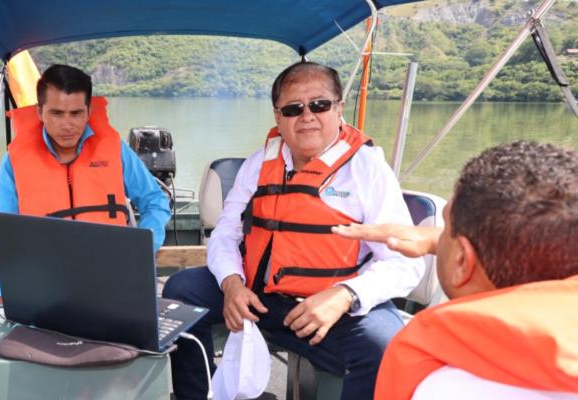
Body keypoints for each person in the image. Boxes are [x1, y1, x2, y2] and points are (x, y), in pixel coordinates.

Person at [162, 61, 424, 399]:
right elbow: (226, 232)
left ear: (338, 108)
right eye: (293, 108)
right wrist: (231, 285)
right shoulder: (260, 163)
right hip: (259, 297)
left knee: (387, 347)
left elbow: (406, 263)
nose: (307, 116)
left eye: (319, 104)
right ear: (277, 116)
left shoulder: (368, 170)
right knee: (183, 290)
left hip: (332, 306)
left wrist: (345, 296)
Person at [335, 141, 578, 399]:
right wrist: (434, 241)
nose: (438, 239)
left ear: (462, 261)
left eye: (445, 230)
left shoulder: (442, 387)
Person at [0, 64, 171, 304]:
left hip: (109, 279)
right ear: (40, 112)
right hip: (43, 285)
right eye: (57, 113)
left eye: (76, 113)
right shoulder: (14, 162)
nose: (67, 125)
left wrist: (142, 248)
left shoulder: (115, 151)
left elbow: (155, 202)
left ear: (89, 111)